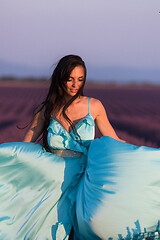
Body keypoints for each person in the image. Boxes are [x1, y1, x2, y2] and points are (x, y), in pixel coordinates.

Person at [0, 55, 160, 240]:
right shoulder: (47, 110)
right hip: (53, 180)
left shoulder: (94, 106)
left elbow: (113, 140)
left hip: (87, 178)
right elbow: (24, 146)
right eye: (70, 79)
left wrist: (141, 156)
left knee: (90, 228)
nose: (75, 84)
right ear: (60, 78)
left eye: (80, 79)